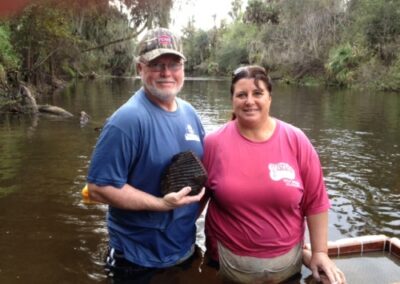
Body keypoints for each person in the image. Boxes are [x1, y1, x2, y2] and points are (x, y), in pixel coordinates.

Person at [202, 65, 346, 284]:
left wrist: (319, 253)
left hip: (286, 271)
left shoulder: (296, 140)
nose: (249, 101)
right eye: (242, 94)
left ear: (269, 98)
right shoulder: (213, 144)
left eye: (257, 93)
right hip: (226, 269)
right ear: (232, 100)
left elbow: (315, 202)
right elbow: (195, 201)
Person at [86, 27, 205, 281]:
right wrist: (161, 205)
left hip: (183, 250)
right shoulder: (128, 120)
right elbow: (98, 187)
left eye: (173, 64)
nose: (166, 73)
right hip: (136, 258)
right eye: (156, 64)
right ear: (140, 68)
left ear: (183, 68)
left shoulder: (191, 114)